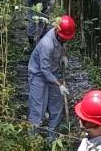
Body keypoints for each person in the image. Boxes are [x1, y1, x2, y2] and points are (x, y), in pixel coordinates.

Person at [26, 14, 74, 143]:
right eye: (63, 38)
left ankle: (51, 140)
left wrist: (63, 56)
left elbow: (62, 45)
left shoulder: (60, 37)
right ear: (57, 31)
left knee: (56, 106)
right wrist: (60, 85)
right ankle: (32, 141)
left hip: (52, 73)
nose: (64, 40)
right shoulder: (47, 44)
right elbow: (44, 71)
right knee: (37, 110)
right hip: (38, 76)